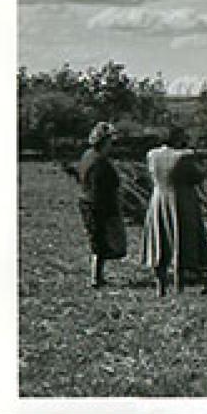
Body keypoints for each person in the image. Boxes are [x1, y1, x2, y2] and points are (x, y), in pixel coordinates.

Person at [140, 136, 207, 296]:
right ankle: (179, 286)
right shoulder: (184, 157)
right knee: (181, 240)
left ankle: (161, 287)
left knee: (160, 240)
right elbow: (197, 177)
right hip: (180, 201)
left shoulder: (152, 155)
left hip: (158, 199)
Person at [77, 121, 126, 288]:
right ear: (104, 142)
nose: (112, 145)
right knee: (99, 241)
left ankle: (98, 276)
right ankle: (95, 278)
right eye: (110, 142)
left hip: (87, 201)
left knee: (98, 240)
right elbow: (102, 188)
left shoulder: (88, 155)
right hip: (97, 204)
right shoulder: (99, 162)